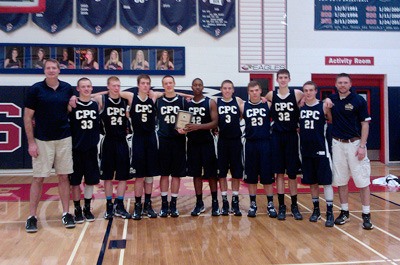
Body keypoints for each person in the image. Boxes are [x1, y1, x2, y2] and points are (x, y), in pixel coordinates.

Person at [23, 59, 75, 232]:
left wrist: (71, 103)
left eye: (54, 68)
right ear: (44, 71)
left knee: (63, 177)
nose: (51, 70)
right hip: (42, 140)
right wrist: (31, 142)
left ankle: (66, 213)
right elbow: (28, 117)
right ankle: (31, 216)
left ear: (59, 70)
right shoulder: (36, 89)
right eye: (48, 68)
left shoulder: (67, 88)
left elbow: (68, 108)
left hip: (63, 138)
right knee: (38, 178)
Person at [329, 73, 373, 230]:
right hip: (337, 144)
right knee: (341, 181)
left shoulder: (359, 100)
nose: (342, 85)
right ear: (335, 84)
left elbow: (365, 125)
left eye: (345, 82)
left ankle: (366, 215)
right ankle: (344, 212)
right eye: (339, 82)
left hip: (354, 144)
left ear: (350, 84)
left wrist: (362, 145)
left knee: (362, 181)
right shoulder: (332, 100)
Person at [118, 74, 159, 220]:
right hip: (138, 139)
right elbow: (113, 91)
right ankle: (137, 206)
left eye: (148, 83)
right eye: (143, 83)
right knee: (139, 176)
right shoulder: (131, 97)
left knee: (150, 175)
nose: (145, 86)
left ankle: (148, 205)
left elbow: (168, 92)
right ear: (138, 85)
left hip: (151, 139)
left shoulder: (152, 98)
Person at [266, 68, 303, 220]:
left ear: (289, 79)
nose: (282, 80)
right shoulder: (271, 95)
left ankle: (294, 205)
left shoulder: (297, 94)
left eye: (285, 77)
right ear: (277, 80)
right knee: (279, 173)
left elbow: (311, 101)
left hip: (291, 136)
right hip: (276, 136)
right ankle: (281, 205)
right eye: (280, 77)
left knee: (292, 174)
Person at [299, 81, 334, 227]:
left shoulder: (323, 106)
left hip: (321, 150)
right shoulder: (300, 108)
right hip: (306, 150)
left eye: (311, 90)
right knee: (312, 182)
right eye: (305, 90)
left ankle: (330, 212)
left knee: (326, 182)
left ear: (316, 91)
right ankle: (316, 210)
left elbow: (331, 120)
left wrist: (328, 101)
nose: (308, 93)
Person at [240, 81, 276, 217]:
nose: (254, 93)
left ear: (260, 91)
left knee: (267, 177)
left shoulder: (267, 104)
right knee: (251, 178)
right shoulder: (243, 106)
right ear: (248, 92)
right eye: (251, 91)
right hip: (250, 144)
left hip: (265, 143)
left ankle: (270, 204)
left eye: (256, 90)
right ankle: (253, 204)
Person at [185, 78, 220, 216]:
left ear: (203, 87)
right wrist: (183, 129)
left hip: (207, 143)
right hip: (193, 143)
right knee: (196, 174)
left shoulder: (210, 102)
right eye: (195, 85)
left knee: (211, 174)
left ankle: (215, 202)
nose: (198, 87)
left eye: (200, 85)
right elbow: (184, 124)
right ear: (192, 87)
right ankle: (199, 203)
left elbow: (215, 123)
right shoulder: (187, 105)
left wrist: (198, 127)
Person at [98, 76, 132, 219]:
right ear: (108, 87)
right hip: (108, 141)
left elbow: (131, 95)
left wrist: (119, 92)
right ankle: (109, 206)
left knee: (123, 176)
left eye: (118, 85)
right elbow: (87, 96)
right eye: (113, 85)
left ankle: (120, 205)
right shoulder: (102, 100)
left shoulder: (125, 101)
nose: (116, 88)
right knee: (107, 177)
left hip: (122, 141)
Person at [68, 77, 100, 223]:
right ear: (78, 88)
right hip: (76, 149)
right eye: (83, 86)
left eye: (89, 86)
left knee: (90, 181)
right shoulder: (72, 105)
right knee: (75, 181)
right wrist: (72, 97)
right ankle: (77, 209)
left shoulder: (96, 104)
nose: (86, 89)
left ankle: (87, 208)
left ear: (92, 88)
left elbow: (106, 92)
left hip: (91, 148)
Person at [156, 75, 186, 217]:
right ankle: (164, 204)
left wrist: (184, 129)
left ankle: (173, 204)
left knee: (176, 174)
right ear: (163, 85)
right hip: (163, 141)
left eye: (170, 83)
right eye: (166, 83)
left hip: (178, 141)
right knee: (164, 174)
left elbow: (185, 120)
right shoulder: (158, 101)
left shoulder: (181, 100)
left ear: (174, 83)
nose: (168, 85)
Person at [216, 80, 244, 216]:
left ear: (233, 90)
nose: (227, 90)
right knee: (222, 173)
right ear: (221, 89)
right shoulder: (217, 102)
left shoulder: (238, 101)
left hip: (235, 141)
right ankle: (225, 202)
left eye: (229, 88)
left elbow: (251, 107)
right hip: (222, 141)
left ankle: (235, 201)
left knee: (236, 173)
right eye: (225, 88)